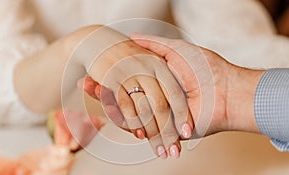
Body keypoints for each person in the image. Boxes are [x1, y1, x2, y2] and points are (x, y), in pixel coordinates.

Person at [0, 0, 289, 158]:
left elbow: (243, 44)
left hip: (160, 137)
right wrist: (78, 46)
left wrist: (245, 93)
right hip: (30, 149)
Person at [82, 33, 289, 154]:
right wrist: (80, 42)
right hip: (92, 120)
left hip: (175, 96)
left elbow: (230, 28)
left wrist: (227, 91)